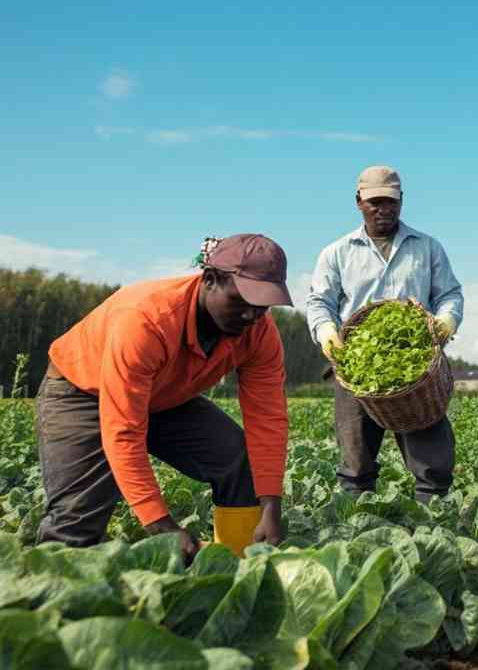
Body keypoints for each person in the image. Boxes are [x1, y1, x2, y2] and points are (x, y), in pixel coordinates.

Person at [36, 234, 293, 561]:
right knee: (77, 517)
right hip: (83, 392)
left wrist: (270, 504)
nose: (251, 317)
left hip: (165, 397)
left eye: (262, 305)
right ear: (210, 280)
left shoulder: (259, 332)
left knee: (236, 459)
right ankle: (48, 599)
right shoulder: (146, 319)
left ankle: (237, 571)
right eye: (241, 301)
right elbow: (124, 430)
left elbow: (268, 418)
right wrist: (161, 526)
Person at [306, 165, 464, 503]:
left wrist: (447, 320)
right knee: (355, 459)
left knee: (433, 461)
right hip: (358, 369)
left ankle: (432, 523)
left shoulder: (427, 247)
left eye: (390, 202)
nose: (383, 209)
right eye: (374, 202)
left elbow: (450, 293)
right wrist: (327, 332)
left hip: (418, 370)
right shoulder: (338, 252)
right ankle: (357, 528)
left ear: (402, 201)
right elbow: (320, 301)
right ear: (359, 202)